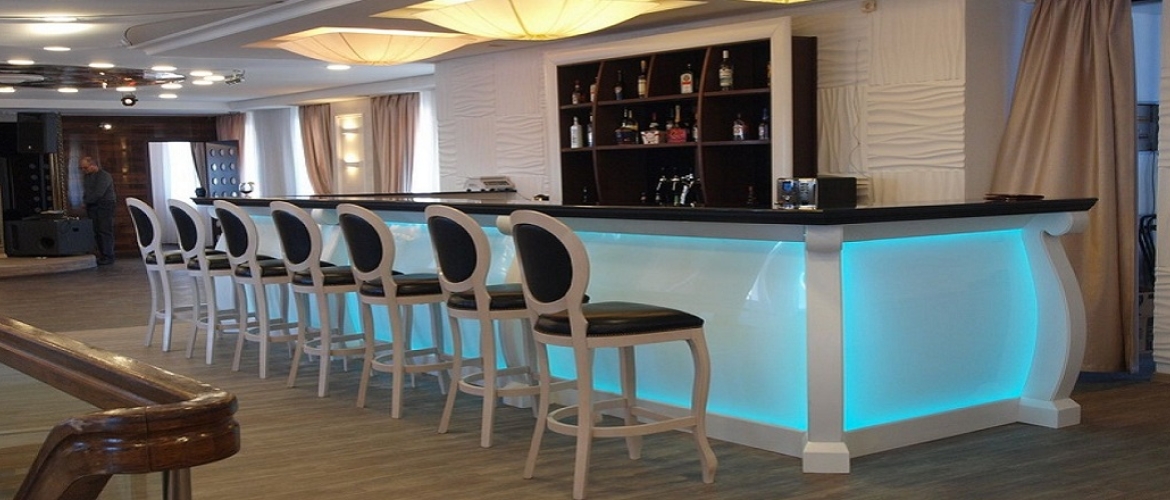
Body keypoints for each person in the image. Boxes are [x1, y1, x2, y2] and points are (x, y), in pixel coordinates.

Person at [80, 156, 117, 265]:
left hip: (105, 205)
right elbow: (87, 191)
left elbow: (99, 193)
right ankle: (102, 255)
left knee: (104, 231)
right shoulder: (87, 177)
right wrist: (86, 201)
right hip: (92, 206)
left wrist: (86, 202)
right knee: (96, 231)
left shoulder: (104, 176)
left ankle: (108, 256)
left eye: (85, 168)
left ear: (93, 165)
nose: (83, 170)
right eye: (81, 168)